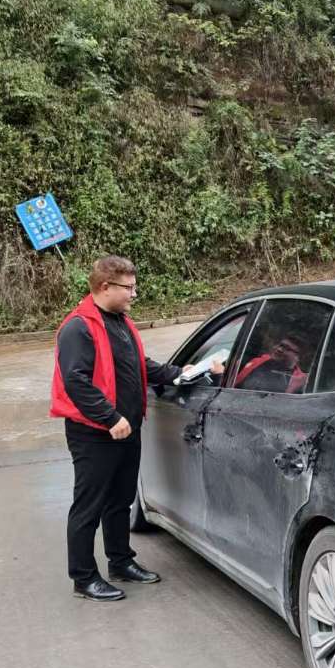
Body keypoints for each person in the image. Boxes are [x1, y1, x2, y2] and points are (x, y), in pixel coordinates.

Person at [49, 255, 221, 602]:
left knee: (121, 500)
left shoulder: (119, 321)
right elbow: (75, 382)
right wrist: (110, 418)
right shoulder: (78, 328)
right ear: (105, 287)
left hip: (127, 428)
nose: (134, 293)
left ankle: (121, 561)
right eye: (128, 287)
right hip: (95, 432)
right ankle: (83, 577)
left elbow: (138, 365)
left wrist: (179, 373)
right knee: (89, 506)